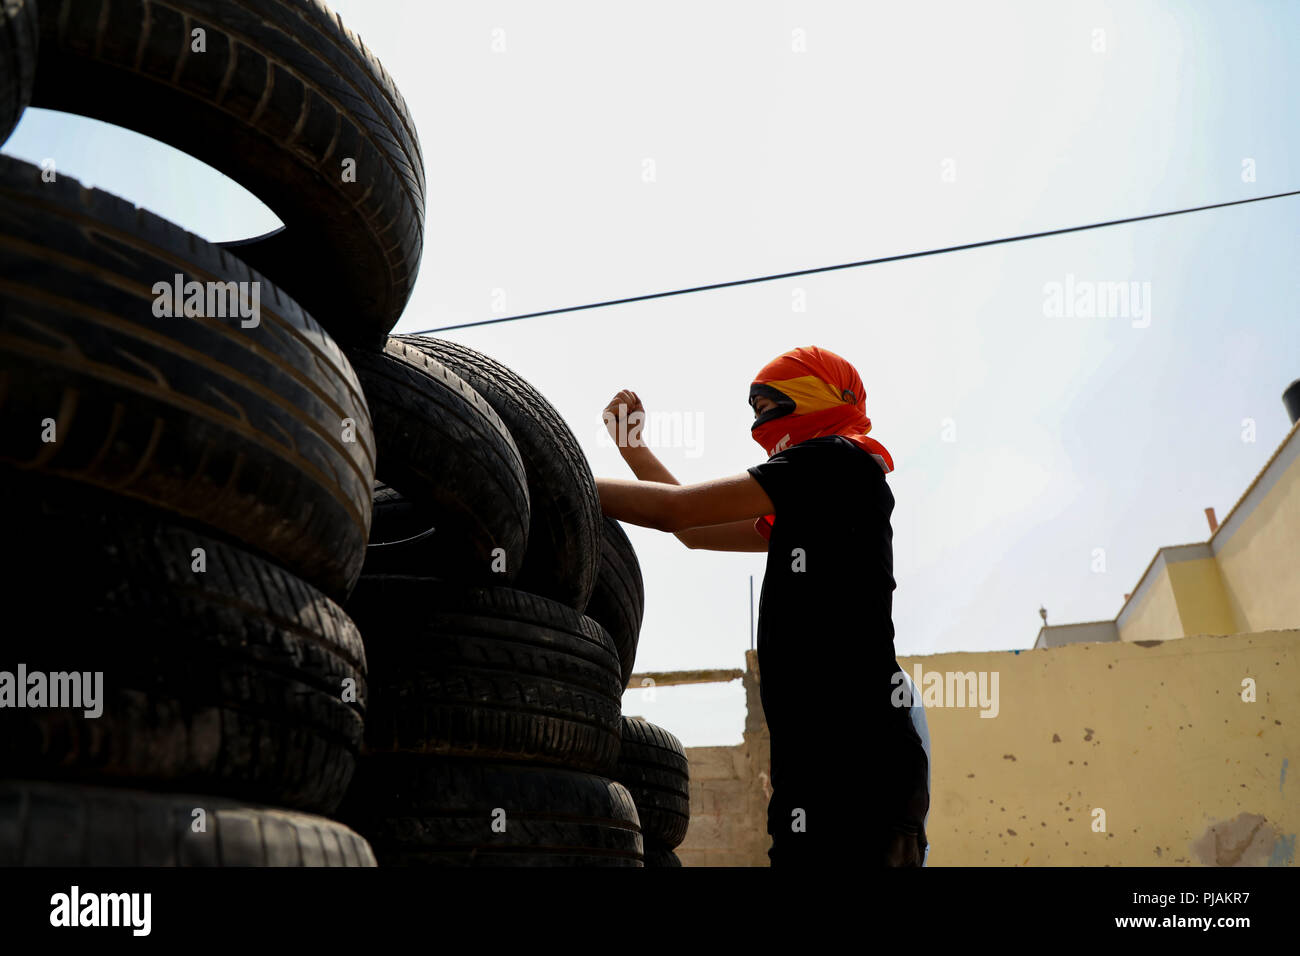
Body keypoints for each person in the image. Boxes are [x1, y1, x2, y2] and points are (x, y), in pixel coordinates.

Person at [595, 345, 930, 867]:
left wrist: (554, 467)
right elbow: (694, 531)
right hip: (810, 767)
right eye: (754, 410)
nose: (760, 420)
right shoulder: (813, 497)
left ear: (827, 397)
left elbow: (676, 511)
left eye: (772, 403)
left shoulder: (839, 461)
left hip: (864, 763)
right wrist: (634, 450)